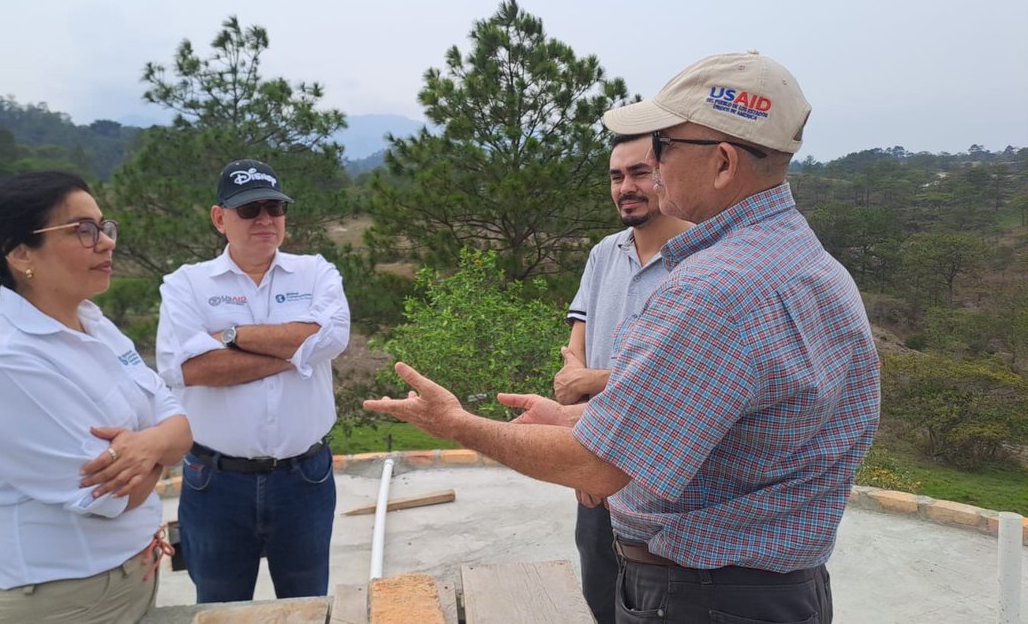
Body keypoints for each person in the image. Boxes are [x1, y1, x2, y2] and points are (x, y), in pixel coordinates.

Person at [366, 52, 880, 623]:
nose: (651, 167)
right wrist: (578, 418)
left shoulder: (717, 287)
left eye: (662, 147)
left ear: (724, 162)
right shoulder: (813, 265)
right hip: (780, 591)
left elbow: (599, 469)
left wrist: (457, 425)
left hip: (703, 599)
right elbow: (728, 425)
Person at [0, 171, 192, 624]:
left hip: (134, 574)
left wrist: (147, 446)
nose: (106, 242)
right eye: (82, 230)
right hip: (66, 602)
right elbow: (114, 496)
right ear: (20, 253)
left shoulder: (93, 324)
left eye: (103, 226)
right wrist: (162, 443)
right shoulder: (3, 365)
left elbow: (179, 420)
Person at [156, 159, 350, 603]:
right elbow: (187, 369)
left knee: (306, 606)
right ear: (219, 218)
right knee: (220, 608)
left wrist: (229, 336)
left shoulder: (316, 272)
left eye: (274, 208)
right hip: (216, 482)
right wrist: (297, 353)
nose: (264, 219)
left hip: (305, 479)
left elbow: (332, 338)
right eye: (249, 210)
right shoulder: (187, 284)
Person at [554, 133, 691, 624]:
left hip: (657, 470)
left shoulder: (702, 263)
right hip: (597, 451)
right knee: (599, 586)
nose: (625, 187)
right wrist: (578, 386)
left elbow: (680, 378)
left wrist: (591, 379)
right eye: (616, 176)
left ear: (668, 174)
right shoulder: (604, 253)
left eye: (639, 173)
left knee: (654, 600)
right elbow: (578, 338)